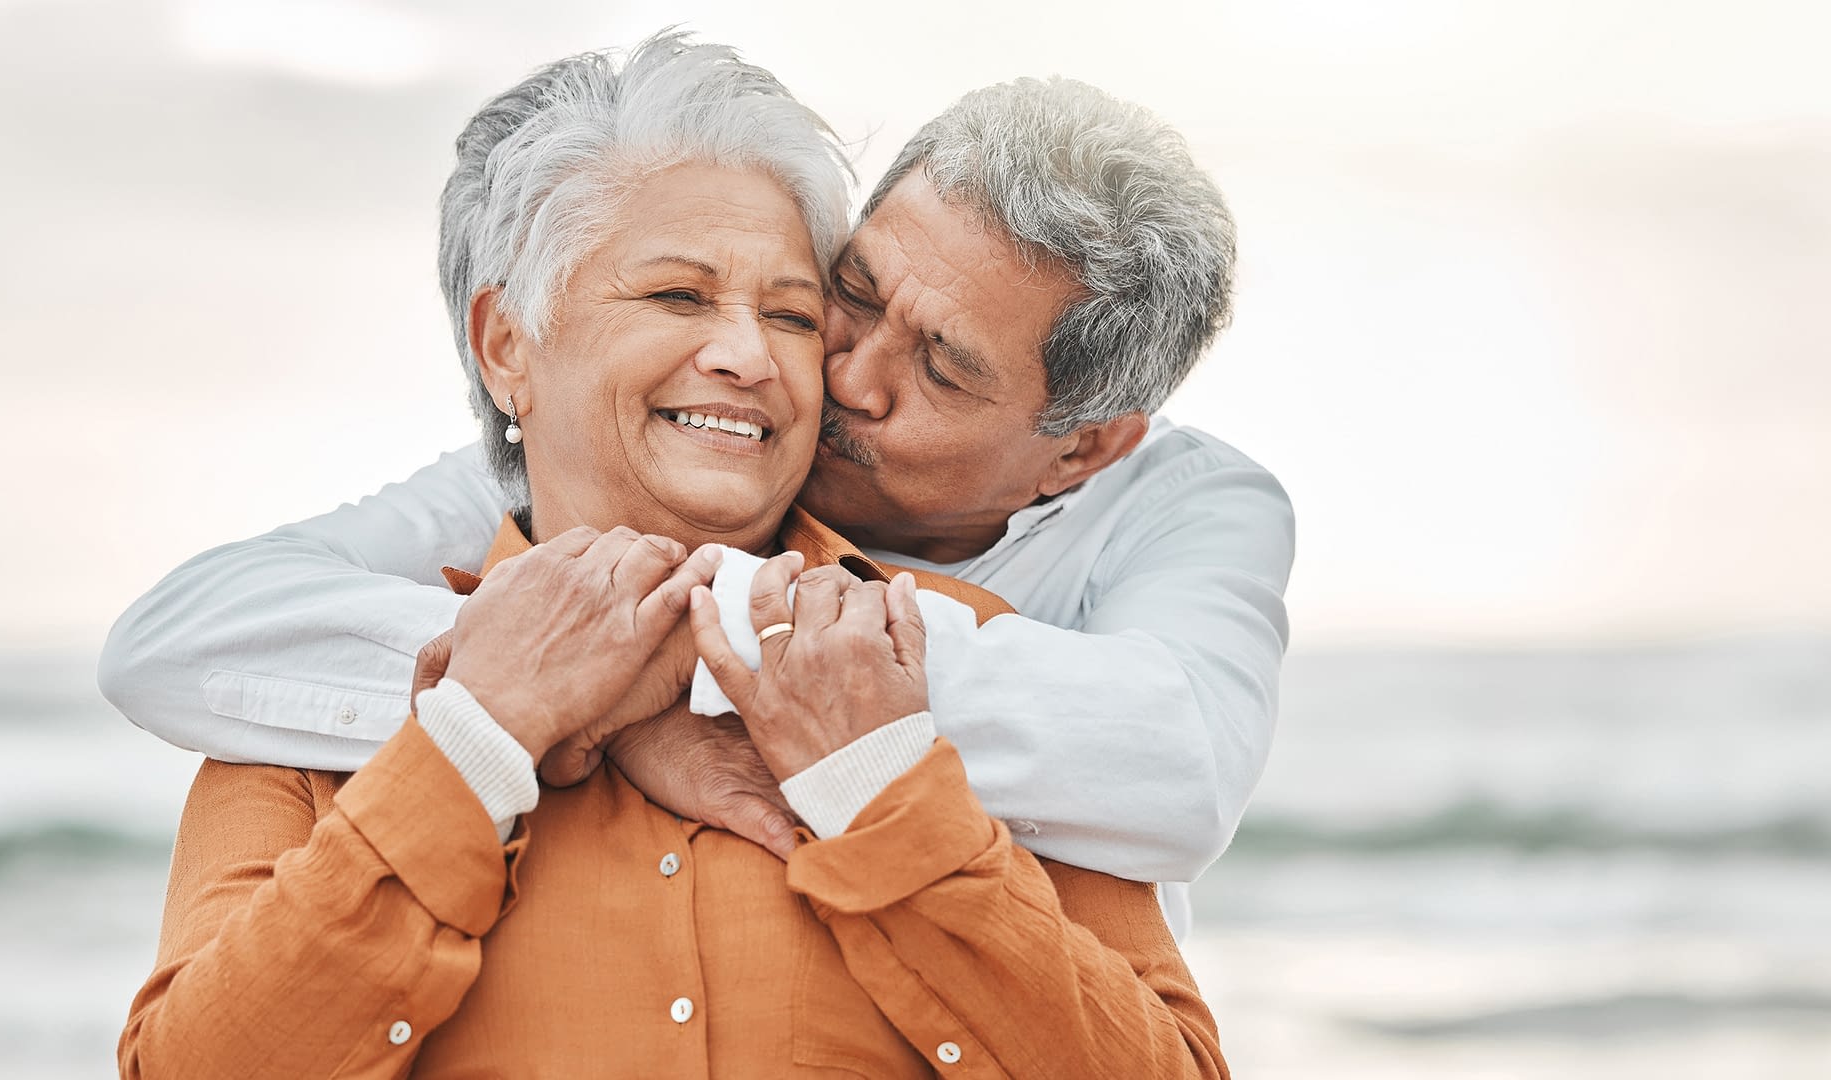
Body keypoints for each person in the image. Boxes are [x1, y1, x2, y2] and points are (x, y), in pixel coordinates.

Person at [119, 34, 1228, 1077]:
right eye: (677, 295)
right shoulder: (316, 698)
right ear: (507, 343)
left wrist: (880, 789)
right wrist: (474, 745)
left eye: (793, 316)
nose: (750, 356)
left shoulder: (952, 659)